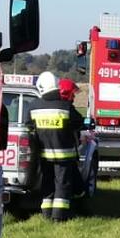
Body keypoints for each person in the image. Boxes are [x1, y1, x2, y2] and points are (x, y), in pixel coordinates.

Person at [25, 71, 85, 221]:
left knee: (47, 183)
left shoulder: (33, 107)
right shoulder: (65, 106)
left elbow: (29, 126)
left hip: (44, 155)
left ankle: (46, 214)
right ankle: (59, 216)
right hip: (64, 155)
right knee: (62, 184)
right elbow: (78, 122)